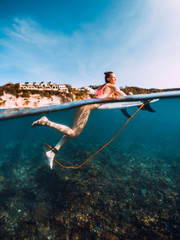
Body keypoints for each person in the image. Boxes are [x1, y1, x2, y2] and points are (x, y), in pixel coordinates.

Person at [31, 72, 126, 169]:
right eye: (113, 77)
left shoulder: (101, 87)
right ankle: (46, 122)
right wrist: (138, 104)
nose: (115, 79)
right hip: (86, 107)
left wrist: (119, 104)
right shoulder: (113, 87)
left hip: (83, 104)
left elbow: (107, 97)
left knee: (71, 131)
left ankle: (52, 152)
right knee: (74, 134)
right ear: (108, 79)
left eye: (115, 77)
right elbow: (124, 96)